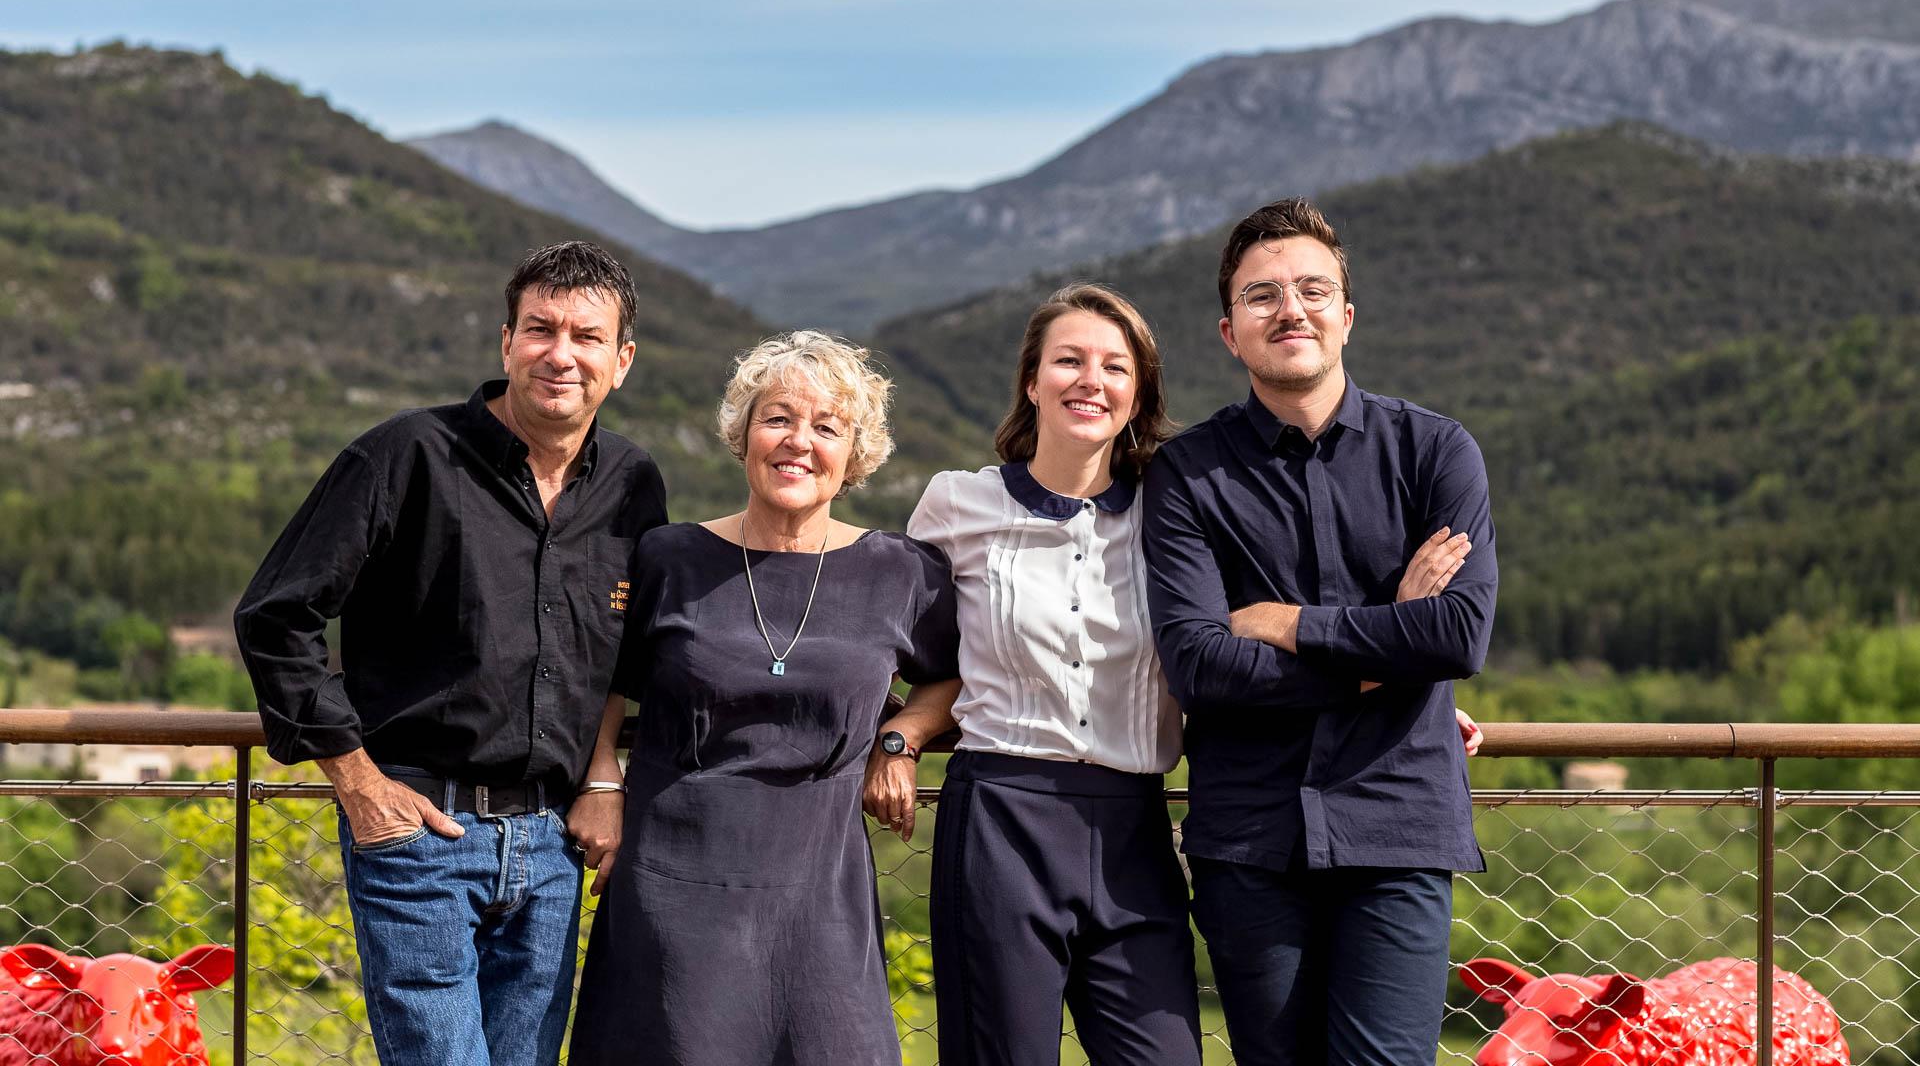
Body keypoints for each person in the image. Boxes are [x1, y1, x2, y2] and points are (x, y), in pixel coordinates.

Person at [886, 283, 1486, 1066]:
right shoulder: (953, 505)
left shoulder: (1173, 511)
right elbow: (927, 656)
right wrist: (901, 732)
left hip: (1135, 822)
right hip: (1001, 813)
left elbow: (1238, 657)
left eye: (1114, 366)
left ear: (1139, 394)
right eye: (1067, 361)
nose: (1089, 380)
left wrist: (1410, 681)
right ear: (1031, 381)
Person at [233, 241, 668, 1066]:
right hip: (422, 832)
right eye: (540, 329)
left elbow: (625, 653)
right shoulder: (406, 455)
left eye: (586, 336)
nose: (561, 354)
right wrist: (359, 785)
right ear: (506, 342)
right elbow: (274, 616)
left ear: (623, 360)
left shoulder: (633, 484)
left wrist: (604, 779)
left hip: (553, 846)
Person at [1142, 197, 1497, 1066]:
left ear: (1345, 316)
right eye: (1262, 296)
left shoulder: (1435, 452)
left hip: (1397, 825)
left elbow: (1455, 636)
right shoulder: (1187, 475)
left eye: (1310, 289)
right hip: (1250, 838)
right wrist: (1385, 650)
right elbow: (1201, 666)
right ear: (1231, 332)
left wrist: (1290, 625)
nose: (1288, 309)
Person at [568, 331, 961, 1066]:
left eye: (826, 427)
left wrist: (902, 736)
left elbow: (956, 675)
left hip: (819, 891)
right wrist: (599, 780)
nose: (798, 442)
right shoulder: (668, 556)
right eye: (777, 418)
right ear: (743, 433)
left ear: (855, 455)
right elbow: (602, 680)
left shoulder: (900, 570)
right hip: (669, 881)